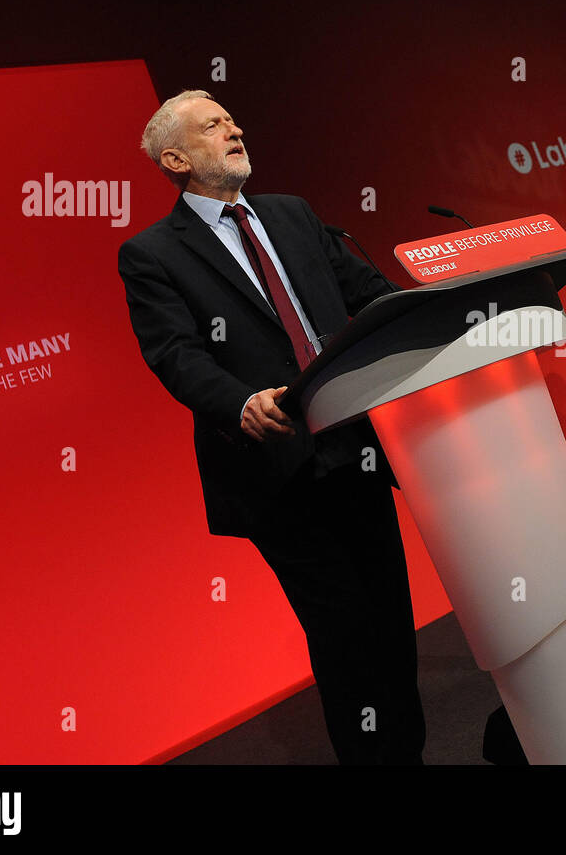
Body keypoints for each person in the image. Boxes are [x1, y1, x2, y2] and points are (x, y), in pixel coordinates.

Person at [117, 90, 425, 765]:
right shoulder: (152, 254)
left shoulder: (292, 214)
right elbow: (175, 353)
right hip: (275, 466)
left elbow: (368, 295)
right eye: (214, 125)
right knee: (344, 634)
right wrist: (238, 402)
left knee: (391, 627)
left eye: (231, 119)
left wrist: (432, 313)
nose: (236, 128)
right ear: (175, 157)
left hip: (354, 447)